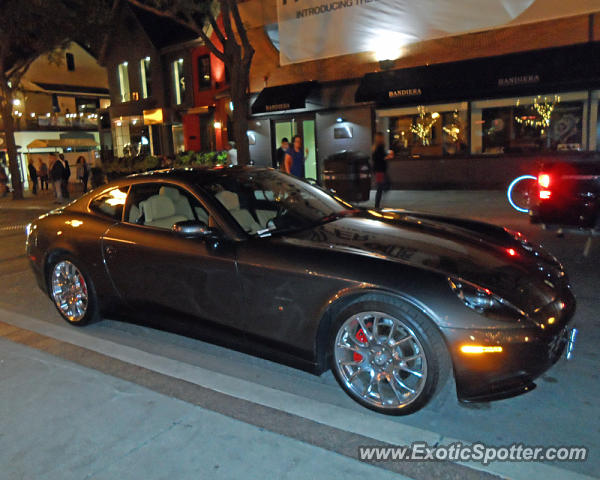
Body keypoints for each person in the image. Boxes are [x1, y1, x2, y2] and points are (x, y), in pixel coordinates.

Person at [372, 132, 393, 209]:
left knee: (381, 186)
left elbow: (377, 158)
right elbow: (380, 158)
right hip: (380, 170)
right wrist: (387, 156)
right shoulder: (379, 147)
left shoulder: (376, 147)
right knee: (381, 187)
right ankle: (377, 205)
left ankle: (377, 204)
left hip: (379, 170)